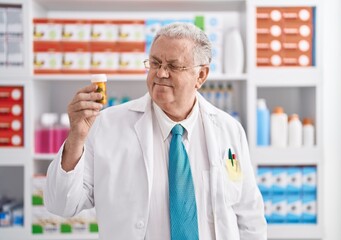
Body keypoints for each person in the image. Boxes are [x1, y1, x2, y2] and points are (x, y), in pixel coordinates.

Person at [44, 22, 267, 240]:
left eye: (173, 66)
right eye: (155, 63)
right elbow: (61, 204)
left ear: (200, 76)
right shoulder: (108, 126)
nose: (161, 73)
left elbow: (249, 216)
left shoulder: (229, 130)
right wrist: (76, 137)